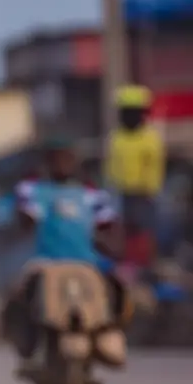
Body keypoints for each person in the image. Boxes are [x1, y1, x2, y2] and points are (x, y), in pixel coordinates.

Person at [7, 143, 127, 366]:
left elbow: (110, 226)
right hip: (47, 261)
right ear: (48, 163)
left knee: (115, 291)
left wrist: (110, 245)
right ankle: (28, 340)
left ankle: (105, 334)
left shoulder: (92, 195)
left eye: (67, 160)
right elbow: (24, 217)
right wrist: (25, 218)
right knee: (22, 292)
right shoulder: (35, 191)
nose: (62, 165)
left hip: (87, 262)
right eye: (57, 160)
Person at [108, 85, 167, 256]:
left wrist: (148, 190)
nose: (128, 116)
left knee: (144, 237)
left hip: (144, 195)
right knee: (122, 236)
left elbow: (154, 168)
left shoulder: (150, 138)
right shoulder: (117, 137)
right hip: (121, 194)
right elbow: (112, 166)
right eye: (125, 112)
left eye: (132, 112)